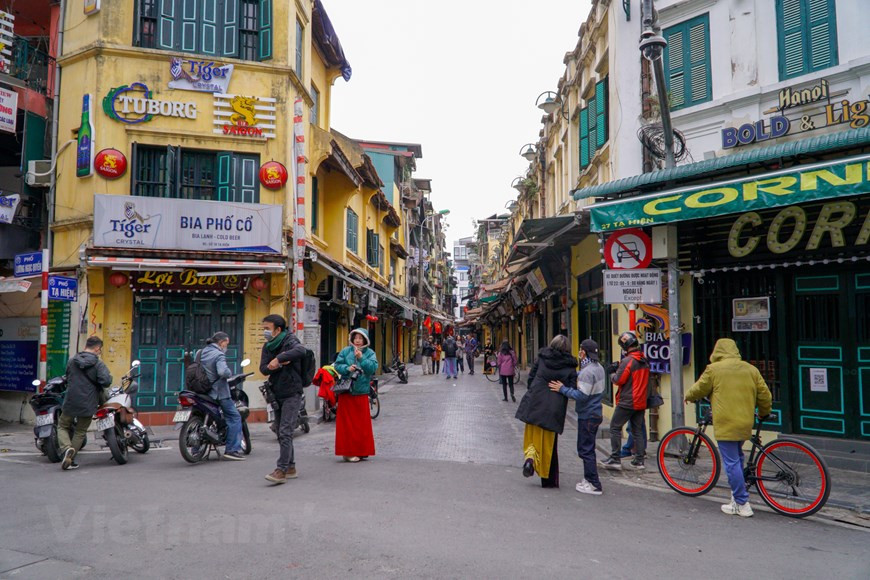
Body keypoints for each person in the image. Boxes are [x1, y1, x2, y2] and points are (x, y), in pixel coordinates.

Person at [685, 338, 772, 518]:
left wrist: (688, 396)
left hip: (726, 422)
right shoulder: (750, 369)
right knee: (737, 457)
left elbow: (700, 388)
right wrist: (764, 412)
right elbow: (765, 394)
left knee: (731, 462)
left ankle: (741, 503)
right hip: (745, 421)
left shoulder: (714, 370)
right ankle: (736, 496)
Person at [515, 335, 577, 488]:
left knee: (531, 437)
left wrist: (535, 391)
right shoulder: (569, 365)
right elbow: (572, 388)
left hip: (535, 403)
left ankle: (530, 459)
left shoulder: (542, 358)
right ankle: (548, 480)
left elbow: (531, 378)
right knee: (549, 445)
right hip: (553, 408)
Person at [549, 339, 605, 495]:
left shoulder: (588, 372)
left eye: (580, 350)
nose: (579, 353)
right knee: (588, 448)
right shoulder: (598, 368)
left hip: (588, 415)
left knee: (585, 450)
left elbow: (581, 395)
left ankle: (594, 484)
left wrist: (562, 389)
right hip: (596, 412)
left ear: (584, 352)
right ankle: (588, 479)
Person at [260, 314, 307, 484]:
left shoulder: (289, 340)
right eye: (263, 329)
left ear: (278, 329)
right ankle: (291, 466)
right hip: (276, 392)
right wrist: (276, 364)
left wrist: (279, 358)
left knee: (286, 430)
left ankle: (281, 470)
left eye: (267, 329)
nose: (265, 332)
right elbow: (263, 368)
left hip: (292, 392)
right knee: (280, 430)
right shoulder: (268, 346)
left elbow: (301, 350)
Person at [59, 336, 113, 470]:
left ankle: (66, 448)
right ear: (96, 348)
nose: (99, 352)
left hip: (71, 399)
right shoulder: (98, 364)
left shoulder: (72, 361)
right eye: (99, 349)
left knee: (62, 426)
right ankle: (70, 456)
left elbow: (67, 376)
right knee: (80, 431)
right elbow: (106, 381)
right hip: (88, 401)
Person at [600, 331, 650, 471]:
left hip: (627, 401)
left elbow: (618, 380)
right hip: (640, 401)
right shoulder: (644, 359)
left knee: (615, 427)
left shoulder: (628, 361)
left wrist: (612, 372)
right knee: (637, 430)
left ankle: (615, 458)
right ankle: (639, 460)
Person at [333, 328, 378, 462]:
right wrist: (347, 368)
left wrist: (361, 358)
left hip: (361, 392)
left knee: (361, 425)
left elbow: (372, 368)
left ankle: (362, 450)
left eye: (360, 338)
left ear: (365, 340)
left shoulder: (370, 353)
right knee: (347, 425)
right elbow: (337, 365)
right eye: (355, 337)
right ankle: (348, 452)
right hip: (347, 392)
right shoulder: (346, 351)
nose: (358, 340)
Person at [199, 331, 245, 461]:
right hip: (218, 392)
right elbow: (222, 371)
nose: (227, 346)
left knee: (201, 417)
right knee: (234, 417)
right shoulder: (219, 354)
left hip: (202, 391)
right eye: (226, 343)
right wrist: (229, 372)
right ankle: (232, 449)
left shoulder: (202, 352)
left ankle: (196, 449)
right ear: (220, 342)